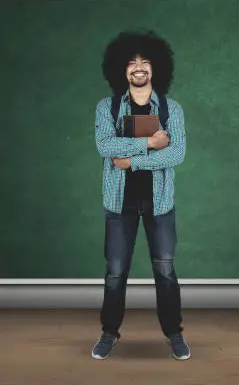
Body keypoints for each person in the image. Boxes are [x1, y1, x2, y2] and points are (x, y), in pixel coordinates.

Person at [92, 29, 190, 361]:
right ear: (121, 69)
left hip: (159, 202)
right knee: (116, 271)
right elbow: (105, 146)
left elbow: (176, 154)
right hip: (119, 203)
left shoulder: (170, 108)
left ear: (156, 68)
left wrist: (131, 160)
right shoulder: (107, 107)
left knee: (165, 270)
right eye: (132, 62)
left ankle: (174, 333)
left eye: (145, 62)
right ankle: (109, 332)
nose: (138, 68)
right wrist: (149, 143)